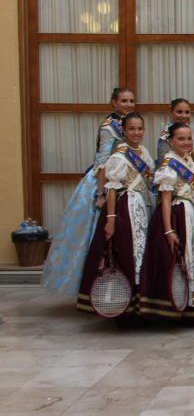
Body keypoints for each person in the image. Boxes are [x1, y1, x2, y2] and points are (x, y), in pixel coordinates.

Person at [43, 87, 134, 298]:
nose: (128, 104)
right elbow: (102, 162)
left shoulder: (128, 124)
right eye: (124, 101)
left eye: (131, 101)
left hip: (123, 179)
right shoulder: (108, 127)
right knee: (95, 237)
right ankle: (93, 285)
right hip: (104, 182)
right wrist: (100, 193)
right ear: (114, 102)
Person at [76, 112, 154, 315]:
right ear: (124, 131)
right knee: (125, 252)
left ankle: (140, 299)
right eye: (132, 129)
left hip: (143, 209)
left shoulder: (144, 153)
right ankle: (122, 303)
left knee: (142, 253)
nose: (136, 133)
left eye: (139, 129)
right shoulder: (119, 157)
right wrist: (111, 219)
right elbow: (112, 189)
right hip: (124, 210)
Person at [139, 123, 194, 318]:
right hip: (176, 217)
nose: (186, 143)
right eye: (181, 139)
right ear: (170, 141)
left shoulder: (189, 162)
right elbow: (165, 200)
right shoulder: (168, 165)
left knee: (190, 256)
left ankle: (190, 300)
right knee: (176, 258)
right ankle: (176, 302)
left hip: (190, 215)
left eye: (189, 139)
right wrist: (168, 230)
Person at [157, 97, 194, 221]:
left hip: (191, 184)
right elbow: (164, 165)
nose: (183, 115)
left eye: (187, 112)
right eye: (179, 112)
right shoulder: (165, 137)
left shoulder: (188, 132)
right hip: (176, 191)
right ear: (171, 112)